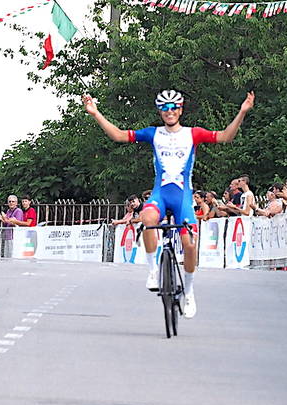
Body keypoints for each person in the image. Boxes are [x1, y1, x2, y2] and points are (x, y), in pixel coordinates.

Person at [83, 89, 254, 318]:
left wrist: (242, 112)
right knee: (147, 217)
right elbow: (119, 135)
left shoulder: (193, 133)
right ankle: (153, 270)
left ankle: (189, 291)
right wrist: (96, 113)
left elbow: (225, 137)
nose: (170, 112)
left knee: (190, 244)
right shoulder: (153, 133)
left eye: (174, 107)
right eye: (165, 108)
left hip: (183, 198)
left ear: (181, 110)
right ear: (160, 112)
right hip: (160, 195)